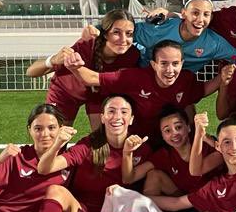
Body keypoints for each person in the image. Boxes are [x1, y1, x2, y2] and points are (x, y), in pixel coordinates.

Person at [16, 95, 148, 212]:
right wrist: (58, 144)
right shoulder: (89, 145)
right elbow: (45, 168)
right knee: (55, 191)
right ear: (102, 117)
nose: (116, 117)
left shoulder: (143, 148)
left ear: (132, 118)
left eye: (123, 112)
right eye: (111, 111)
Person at [65, 40, 219, 138]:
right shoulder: (135, 77)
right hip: (137, 142)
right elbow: (93, 78)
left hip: (171, 140)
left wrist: (223, 78)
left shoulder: (186, 79)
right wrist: (73, 66)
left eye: (175, 63)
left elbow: (202, 90)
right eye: (164, 63)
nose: (170, 70)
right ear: (153, 64)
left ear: (182, 63)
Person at [26, 9, 139, 128]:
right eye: (116, 32)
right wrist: (52, 60)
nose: (123, 39)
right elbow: (30, 72)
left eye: (129, 34)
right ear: (105, 34)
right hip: (66, 92)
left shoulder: (132, 55)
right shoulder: (86, 45)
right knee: (58, 136)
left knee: (102, 138)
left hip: (98, 95)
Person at [129, 0, 236, 71]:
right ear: (184, 13)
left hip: (180, 86)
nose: (200, 20)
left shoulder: (213, 43)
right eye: (195, 13)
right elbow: (123, 32)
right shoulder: (158, 29)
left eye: (206, 14)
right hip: (145, 76)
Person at [139, 107, 224, 196]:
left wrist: (203, 136)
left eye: (178, 127)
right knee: (153, 175)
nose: (174, 133)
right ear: (162, 136)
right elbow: (130, 177)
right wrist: (127, 153)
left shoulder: (208, 146)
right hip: (186, 201)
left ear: (188, 127)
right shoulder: (165, 153)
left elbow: (196, 171)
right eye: (167, 130)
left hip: (213, 200)